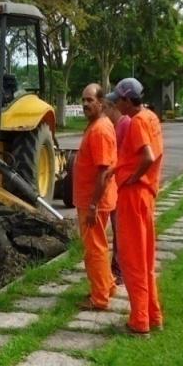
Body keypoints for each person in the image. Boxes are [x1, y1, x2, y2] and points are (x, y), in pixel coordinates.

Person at [108, 77, 164, 337]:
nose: (116, 104)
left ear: (128, 100)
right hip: (146, 196)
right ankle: (153, 315)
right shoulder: (151, 117)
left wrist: (133, 176)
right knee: (146, 258)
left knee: (132, 261)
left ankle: (139, 321)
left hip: (133, 195)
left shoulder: (138, 122)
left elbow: (148, 157)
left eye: (118, 100)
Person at [74, 84, 118, 310]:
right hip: (92, 199)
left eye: (90, 100)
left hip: (94, 202)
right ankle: (107, 286)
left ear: (101, 102)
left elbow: (103, 171)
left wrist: (92, 204)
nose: (85, 104)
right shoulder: (97, 125)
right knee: (99, 245)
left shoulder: (100, 130)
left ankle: (99, 298)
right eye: (83, 100)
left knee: (95, 249)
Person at [101, 95, 129, 285]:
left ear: (113, 107)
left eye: (105, 108)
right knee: (117, 226)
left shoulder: (125, 125)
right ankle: (117, 267)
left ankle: (119, 269)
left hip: (122, 184)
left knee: (120, 228)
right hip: (116, 184)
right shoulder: (116, 125)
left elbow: (125, 155)